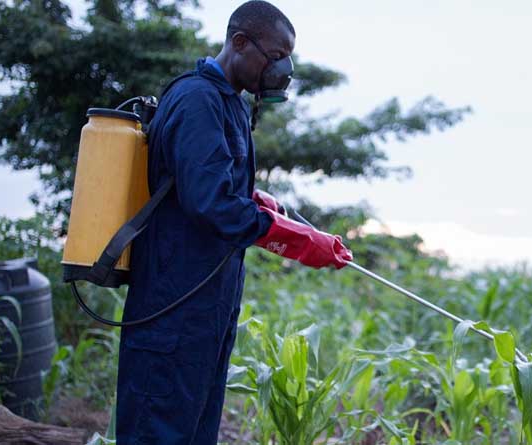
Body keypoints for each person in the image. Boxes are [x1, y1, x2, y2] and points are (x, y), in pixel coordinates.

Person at [115, 2, 352, 443]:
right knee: (159, 430)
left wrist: (262, 202)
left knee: (197, 430)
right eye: (276, 54)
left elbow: (206, 183)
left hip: (210, 306)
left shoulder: (231, 105)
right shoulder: (197, 100)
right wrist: (301, 242)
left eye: (287, 56)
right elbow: (212, 204)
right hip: (174, 304)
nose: (282, 66)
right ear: (239, 42)